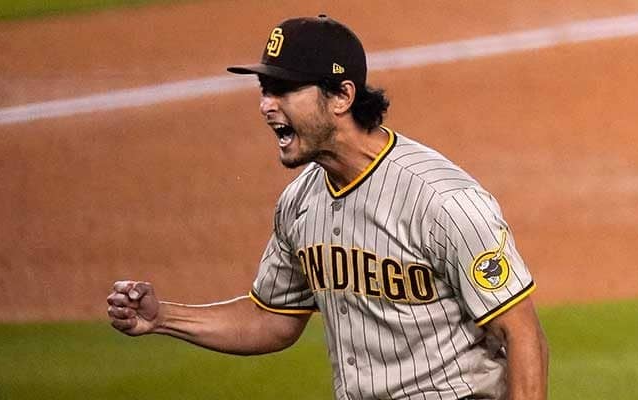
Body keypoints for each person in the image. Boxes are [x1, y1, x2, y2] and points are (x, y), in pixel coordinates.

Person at [107, 15, 548, 400]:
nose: (265, 105)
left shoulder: (440, 200)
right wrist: (163, 317)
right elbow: (271, 318)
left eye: (284, 90)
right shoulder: (299, 204)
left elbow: (522, 333)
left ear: (341, 96)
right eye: (265, 89)